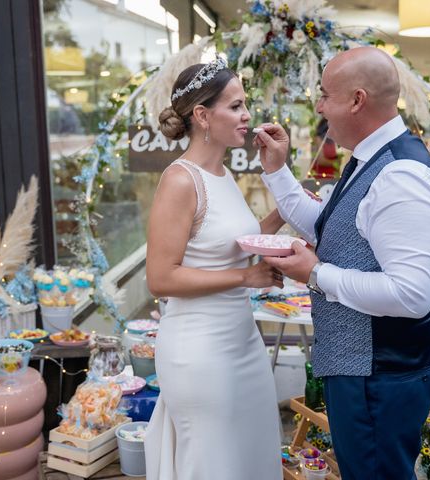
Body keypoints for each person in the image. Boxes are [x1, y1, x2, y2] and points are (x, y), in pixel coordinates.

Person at [254, 46, 430, 480]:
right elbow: (330, 227)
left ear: (357, 100)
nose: (319, 107)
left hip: (380, 374)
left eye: (325, 95)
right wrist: (277, 170)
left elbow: (413, 296)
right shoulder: (371, 159)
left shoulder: (400, 176)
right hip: (364, 369)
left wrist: (315, 274)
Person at [144, 58, 284, 480]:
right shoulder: (180, 180)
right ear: (203, 116)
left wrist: (288, 212)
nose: (247, 117)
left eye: (245, 106)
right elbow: (161, 277)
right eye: (236, 107)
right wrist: (247, 277)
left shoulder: (221, 174)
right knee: (214, 464)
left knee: (251, 456)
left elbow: (230, 248)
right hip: (199, 353)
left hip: (241, 343)